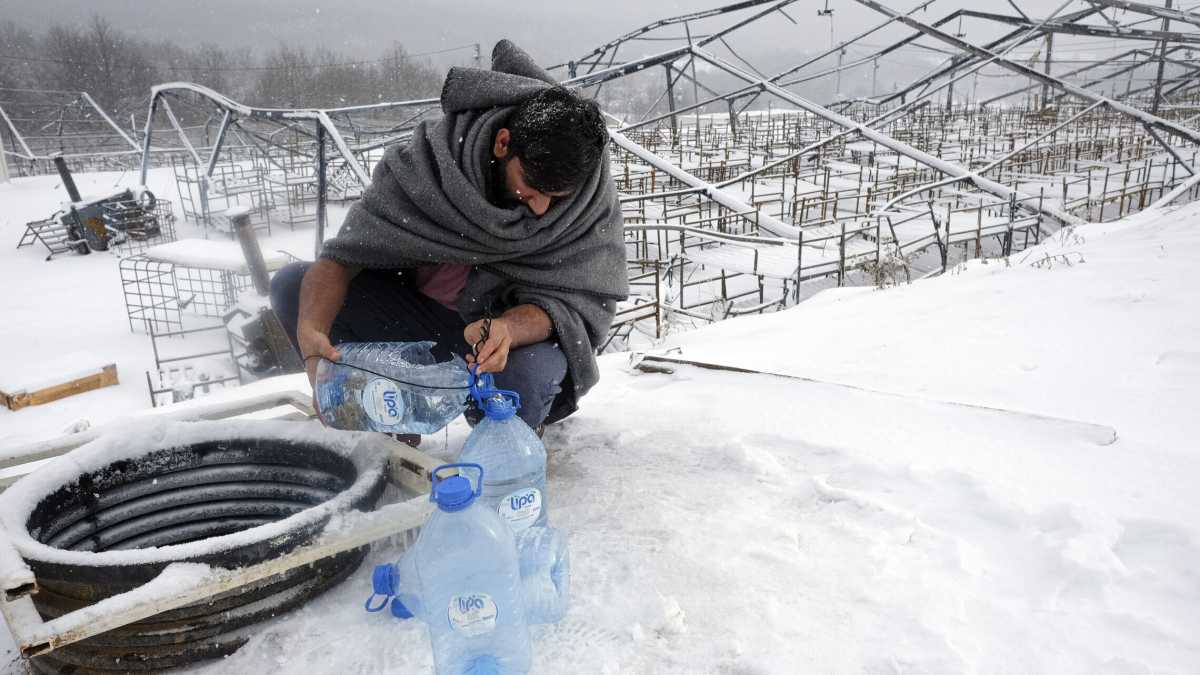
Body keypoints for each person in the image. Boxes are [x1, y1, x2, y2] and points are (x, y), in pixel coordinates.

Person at [271, 40, 627, 433]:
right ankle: (389, 422)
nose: (541, 209)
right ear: (503, 142)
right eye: (531, 186)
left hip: (508, 343)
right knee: (294, 287)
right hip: (417, 323)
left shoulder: (588, 199)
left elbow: (575, 303)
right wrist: (310, 335)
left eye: (555, 199)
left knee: (519, 385)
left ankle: (502, 424)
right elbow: (342, 259)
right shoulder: (433, 166)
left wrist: (508, 327)